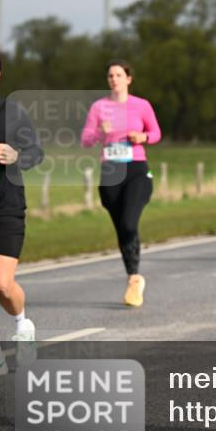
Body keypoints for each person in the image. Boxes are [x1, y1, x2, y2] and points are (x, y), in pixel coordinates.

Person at [0, 43, 44, 377]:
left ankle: (22, 323)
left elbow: (36, 152)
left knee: (2, 283)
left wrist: (17, 156)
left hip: (5, 206)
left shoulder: (10, 112)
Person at [81, 62, 162, 307]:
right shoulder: (99, 107)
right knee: (122, 229)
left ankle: (134, 279)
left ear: (129, 79)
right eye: (110, 75)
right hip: (110, 173)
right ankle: (134, 278)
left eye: (119, 75)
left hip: (136, 170)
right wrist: (99, 133)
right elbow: (85, 140)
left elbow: (156, 133)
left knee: (129, 222)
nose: (114, 79)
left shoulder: (141, 105)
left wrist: (143, 137)